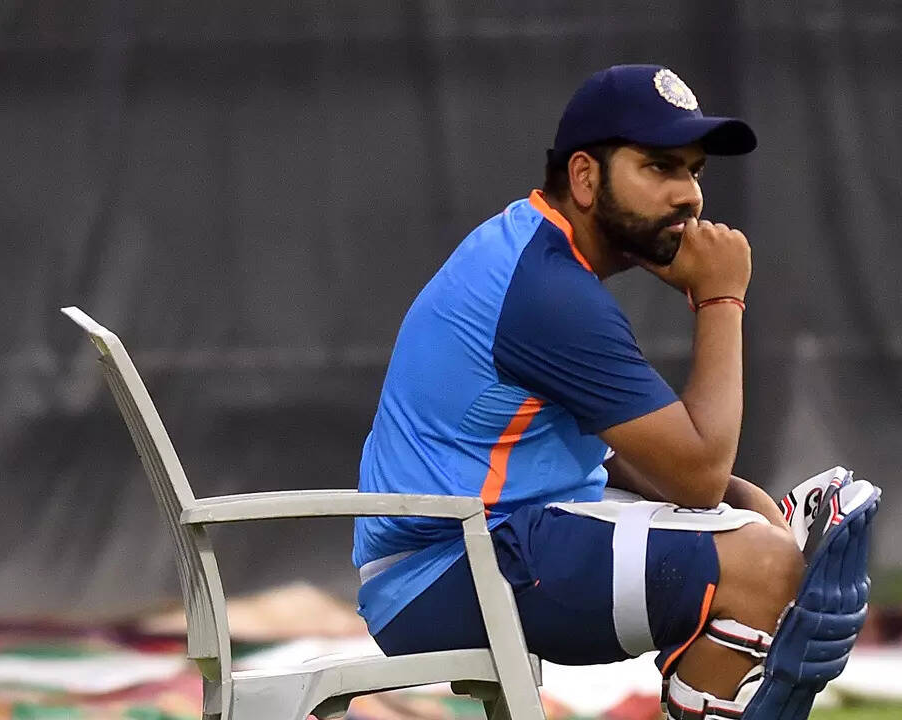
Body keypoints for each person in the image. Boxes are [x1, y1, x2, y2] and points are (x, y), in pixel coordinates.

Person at [354, 64, 867, 718]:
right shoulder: (548, 294)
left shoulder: (537, 255)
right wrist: (720, 297)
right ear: (585, 177)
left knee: (768, 542)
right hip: (446, 572)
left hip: (473, 548)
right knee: (762, 568)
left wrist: (751, 506)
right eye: (659, 167)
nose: (689, 197)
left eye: (694, 171)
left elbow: (624, 460)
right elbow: (698, 475)